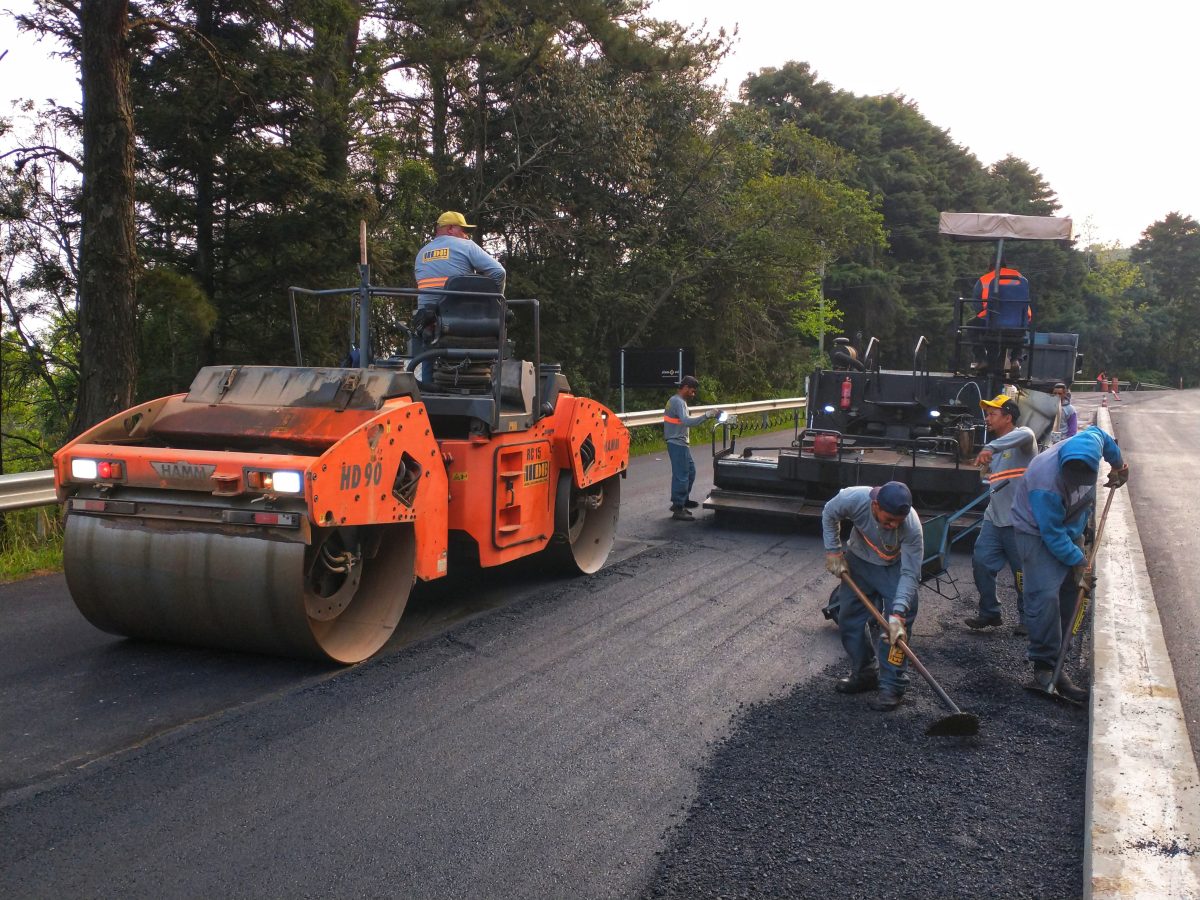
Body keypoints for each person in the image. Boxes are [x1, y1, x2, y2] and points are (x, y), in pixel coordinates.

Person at [1010, 426, 1129, 701]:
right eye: (1072, 480)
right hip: (1036, 533)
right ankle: (1044, 665)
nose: (1077, 484)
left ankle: (1059, 658)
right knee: (1044, 596)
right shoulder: (1045, 483)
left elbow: (1106, 439)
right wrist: (1080, 562)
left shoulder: (1091, 440)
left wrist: (1119, 466)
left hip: (1071, 527)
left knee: (1071, 592)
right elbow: (1052, 535)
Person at [822, 481, 924, 712]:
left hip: (895, 569)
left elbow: (910, 574)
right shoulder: (853, 499)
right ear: (875, 505)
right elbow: (829, 512)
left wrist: (898, 614)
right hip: (859, 563)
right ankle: (866, 672)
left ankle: (892, 686)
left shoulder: (912, 526)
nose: (892, 525)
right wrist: (834, 551)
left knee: (896, 631)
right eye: (888, 519)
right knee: (848, 619)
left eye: (898, 522)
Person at [965, 394, 1037, 635]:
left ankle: (1028, 618)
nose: (987, 418)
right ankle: (990, 612)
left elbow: (1027, 435)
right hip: (994, 518)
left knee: (1022, 574)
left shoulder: (1023, 439)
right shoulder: (996, 449)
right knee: (981, 562)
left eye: (992, 414)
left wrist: (990, 447)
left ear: (1008, 417)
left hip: (1020, 522)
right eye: (987, 414)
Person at [414, 211, 506, 309]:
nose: (466, 235)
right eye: (464, 230)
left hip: (425, 317)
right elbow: (499, 272)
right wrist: (494, 304)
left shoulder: (421, 253)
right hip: (459, 315)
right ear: (450, 229)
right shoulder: (466, 245)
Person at [663, 375, 718, 521]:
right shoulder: (678, 402)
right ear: (685, 387)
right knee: (681, 475)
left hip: (680, 442)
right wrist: (707, 415)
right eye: (692, 391)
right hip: (677, 442)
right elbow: (687, 421)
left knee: (691, 472)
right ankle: (678, 507)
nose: (693, 394)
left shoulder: (677, 401)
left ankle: (683, 500)